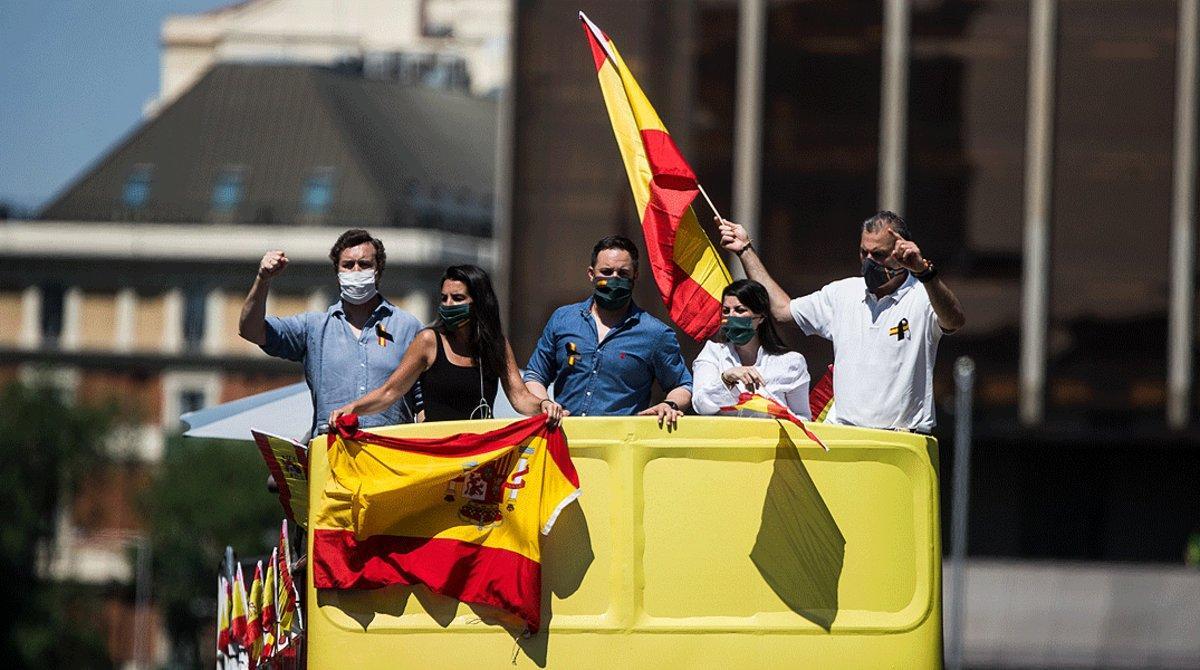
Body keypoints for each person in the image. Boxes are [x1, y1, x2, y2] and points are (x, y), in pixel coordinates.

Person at [718, 211, 965, 433]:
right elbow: (783, 310)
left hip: (900, 440)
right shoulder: (842, 294)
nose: (868, 261)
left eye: (878, 255)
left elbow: (954, 320)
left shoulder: (923, 296)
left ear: (900, 254)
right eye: (863, 252)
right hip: (845, 434)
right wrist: (745, 250)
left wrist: (924, 272)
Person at [239, 228, 423, 437]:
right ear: (337, 272)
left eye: (364, 264)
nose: (355, 270)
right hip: (332, 453)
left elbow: (423, 402)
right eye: (347, 265)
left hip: (389, 457)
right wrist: (263, 279)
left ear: (378, 270)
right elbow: (251, 331)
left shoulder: (407, 327)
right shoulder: (314, 328)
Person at [329, 265, 566, 425]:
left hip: (479, 454)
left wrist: (544, 405)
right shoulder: (428, 341)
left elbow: (520, 397)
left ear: (479, 302)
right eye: (444, 298)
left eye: (458, 298)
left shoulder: (496, 344)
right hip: (437, 452)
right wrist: (353, 409)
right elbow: (390, 391)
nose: (449, 304)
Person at [523, 235, 693, 429]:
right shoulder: (563, 320)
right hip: (564, 440)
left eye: (623, 273)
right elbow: (535, 375)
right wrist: (545, 404)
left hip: (620, 447)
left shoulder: (655, 333)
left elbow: (682, 385)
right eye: (606, 271)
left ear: (635, 276)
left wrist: (669, 404)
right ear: (591, 274)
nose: (614, 278)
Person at [692, 279, 810, 418]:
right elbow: (700, 405)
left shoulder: (791, 362)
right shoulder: (712, 354)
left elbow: (803, 416)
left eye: (740, 310)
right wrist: (726, 378)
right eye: (726, 311)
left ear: (760, 317)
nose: (731, 316)